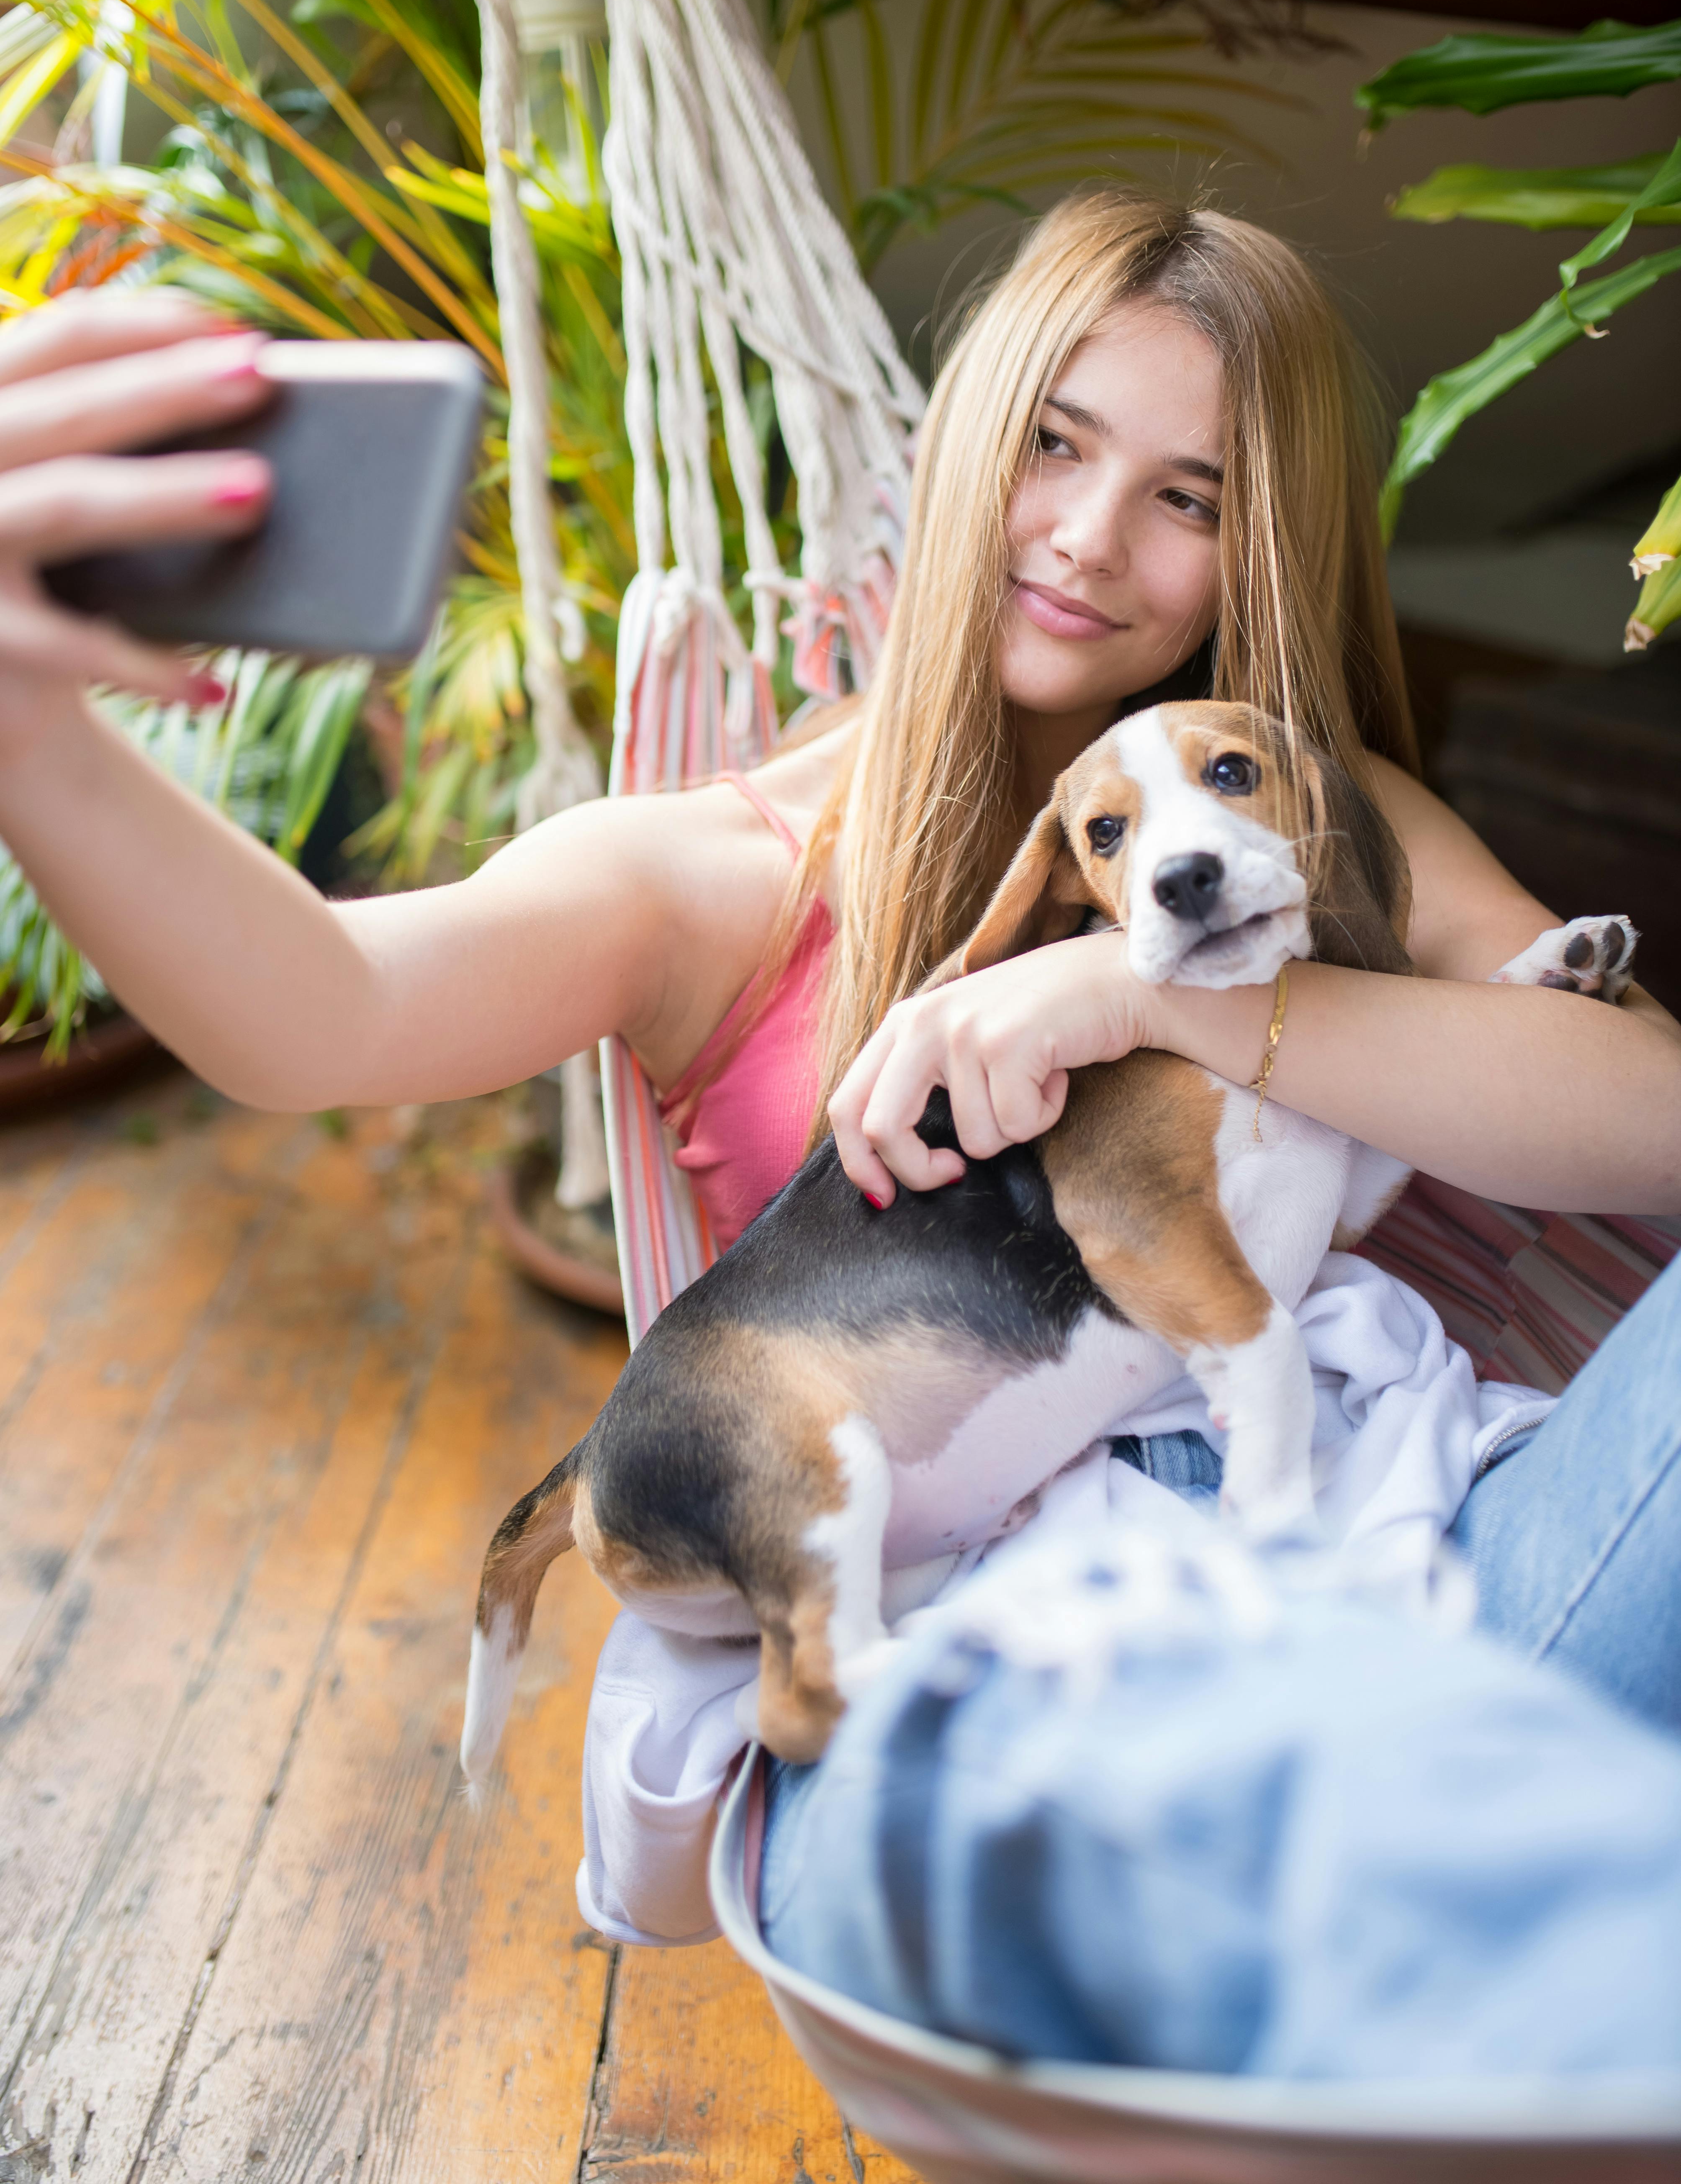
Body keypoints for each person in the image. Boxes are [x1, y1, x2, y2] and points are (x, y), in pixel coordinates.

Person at [1, 195, 1678, 1956]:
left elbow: (1646, 1116)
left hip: (1390, 1597)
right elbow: (317, 1015)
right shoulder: (709, 877)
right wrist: (30, 735)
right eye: (1051, 443)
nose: (1090, 540)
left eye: (1185, 497)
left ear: (1251, 547)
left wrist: (1148, 996)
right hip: (956, 1683)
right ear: (963, 441)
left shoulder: (1307, 815)